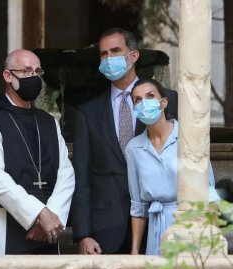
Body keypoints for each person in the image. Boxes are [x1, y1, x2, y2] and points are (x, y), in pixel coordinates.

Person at [70, 27, 178, 254]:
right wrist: (83, 234)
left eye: (116, 51)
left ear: (134, 55)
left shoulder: (165, 100)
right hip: (104, 228)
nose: (109, 58)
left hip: (158, 222)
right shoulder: (88, 113)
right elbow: (82, 177)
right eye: (103, 54)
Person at [0, 49, 75, 256]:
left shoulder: (48, 122)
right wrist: (37, 213)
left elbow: (66, 174)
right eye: (26, 71)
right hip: (5, 224)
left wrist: (51, 216)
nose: (33, 77)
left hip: (48, 229)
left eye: (37, 72)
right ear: (8, 75)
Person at [126, 79, 221, 256]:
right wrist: (134, 251)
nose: (143, 103)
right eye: (137, 100)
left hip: (190, 226)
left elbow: (210, 194)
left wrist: (212, 240)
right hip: (156, 230)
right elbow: (138, 207)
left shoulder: (189, 138)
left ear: (164, 102)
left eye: (150, 96)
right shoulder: (133, 148)